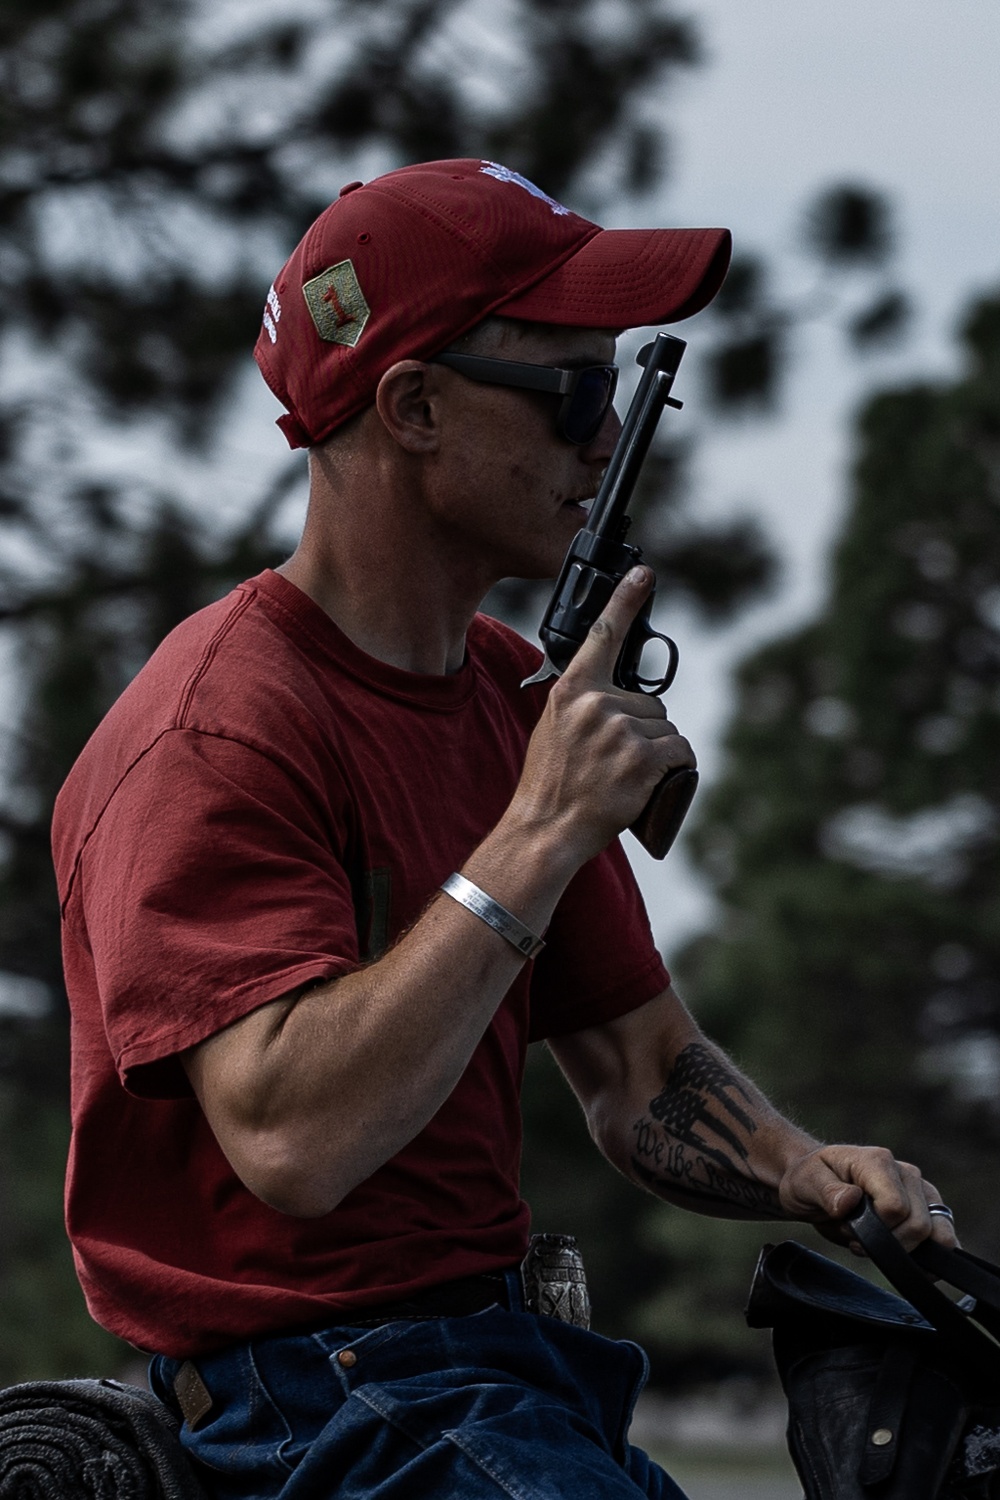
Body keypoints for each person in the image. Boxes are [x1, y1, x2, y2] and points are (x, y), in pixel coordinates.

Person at [52, 158, 957, 1500]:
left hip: (495, 1370)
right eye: (575, 393)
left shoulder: (495, 696)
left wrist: (805, 1171)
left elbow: (639, 1067)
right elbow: (295, 1145)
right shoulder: (216, 735)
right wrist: (535, 832)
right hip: (308, 1402)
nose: (606, 441)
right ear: (412, 406)